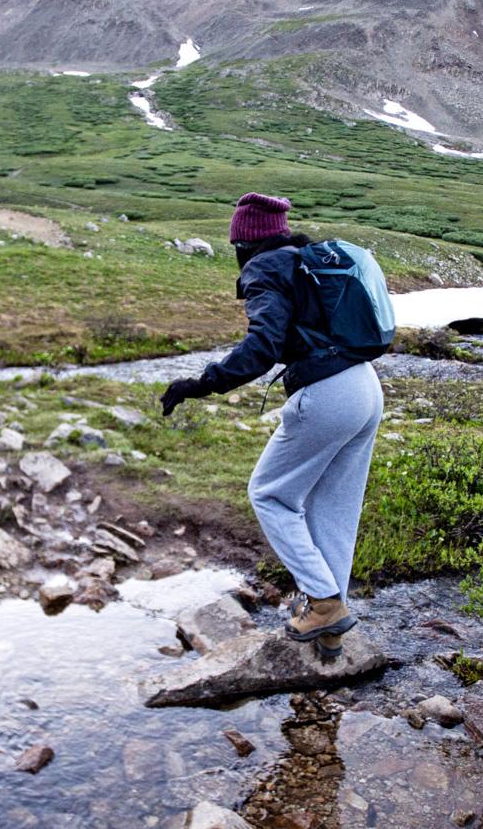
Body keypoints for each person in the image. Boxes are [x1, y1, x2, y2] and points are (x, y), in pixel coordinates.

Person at [159, 192, 385, 658]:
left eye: (235, 244)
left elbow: (262, 347)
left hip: (326, 393)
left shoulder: (266, 269)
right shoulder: (306, 261)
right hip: (365, 387)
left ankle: (323, 604)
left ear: (245, 241)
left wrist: (199, 384)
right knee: (333, 508)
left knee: (271, 494)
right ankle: (330, 631)